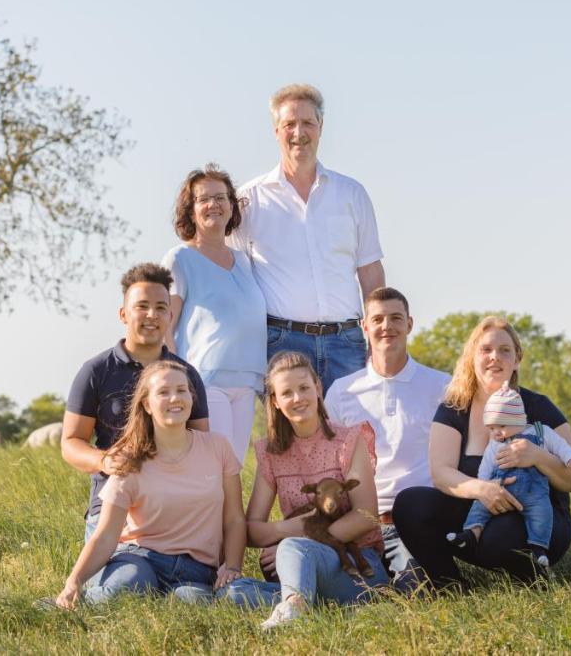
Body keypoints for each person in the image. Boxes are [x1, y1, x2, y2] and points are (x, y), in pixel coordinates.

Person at [392, 317, 571, 587]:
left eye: (505, 350)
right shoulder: (455, 408)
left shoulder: (540, 408)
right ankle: (450, 585)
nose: (495, 357)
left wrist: (537, 456)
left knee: (500, 539)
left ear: (517, 359)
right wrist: (482, 490)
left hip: (537, 518)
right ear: (473, 357)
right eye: (486, 350)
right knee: (411, 504)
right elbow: (441, 473)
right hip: (478, 510)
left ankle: (532, 577)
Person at [51, 361, 246, 608]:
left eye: (182, 390)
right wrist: (73, 582)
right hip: (138, 559)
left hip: (196, 568)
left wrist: (232, 566)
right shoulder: (130, 457)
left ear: (191, 397)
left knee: (191, 604)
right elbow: (106, 535)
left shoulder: (218, 448)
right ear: (147, 404)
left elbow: (234, 519)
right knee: (128, 590)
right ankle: (75, 602)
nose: (175, 398)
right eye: (163, 392)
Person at [231, 84, 385, 394]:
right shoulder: (249, 201)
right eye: (289, 124)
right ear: (276, 130)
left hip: (347, 343)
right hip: (281, 346)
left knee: (353, 438)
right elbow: (235, 280)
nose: (298, 132)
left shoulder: (351, 194)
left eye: (307, 123)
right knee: (290, 442)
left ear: (321, 127)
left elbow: (370, 273)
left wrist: (377, 339)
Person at [224, 351, 389, 630]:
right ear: (275, 402)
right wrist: (287, 531)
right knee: (232, 592)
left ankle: (296, 606)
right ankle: (303, 600)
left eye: (304, 388)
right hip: (301, 561)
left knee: (293, 548)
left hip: (357, 564)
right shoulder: (269, 452)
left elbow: (365, 516)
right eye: (286, 393)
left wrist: (300, 542)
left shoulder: (349, 441)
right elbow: (252, 529)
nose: (298, 398)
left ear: (318, 389)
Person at [61, 263, 210, 540]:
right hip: (111, 508)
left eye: (160, 308)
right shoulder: (95, 371)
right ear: (123, 314)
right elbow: (70, 443)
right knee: (116, 584)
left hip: (174, 510)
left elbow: (202, 446)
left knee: (187, 584)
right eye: (141, 306)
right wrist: (105, 460)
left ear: (171, 315)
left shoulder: (187, 375)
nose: (151, 315)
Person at [324, 287, 449, 583]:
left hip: (415, 520)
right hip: (359, 521)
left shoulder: (441, 387)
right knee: (343, 590)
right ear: (365, 327)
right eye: (377, 319)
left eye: (396, 318)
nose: (386, 326)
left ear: (409, 324)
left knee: (413, 585)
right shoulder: (342, 392)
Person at [161, 164, 267, 464]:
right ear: (190, 210)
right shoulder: (180, 258)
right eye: (204, 199)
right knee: (213, 466)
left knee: (234, 465)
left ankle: (232, 515)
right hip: (205, 380)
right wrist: (175, 378)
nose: (213, 205)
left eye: (221, 197)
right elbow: (166, 324)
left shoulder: (245, 261)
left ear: (232, 206)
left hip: (247, 381)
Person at [446, 383, 571, 577]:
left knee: (542, 514)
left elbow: (561, 447)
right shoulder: (496, 443)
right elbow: (486, 465)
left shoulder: (540, 433)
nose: (496, 433)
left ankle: (539, 548)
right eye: (491, 428)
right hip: (503, 490)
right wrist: (484, 486)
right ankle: (471, 534)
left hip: (534, 491)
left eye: (501, 426)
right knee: (479, 507)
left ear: (519, 419)